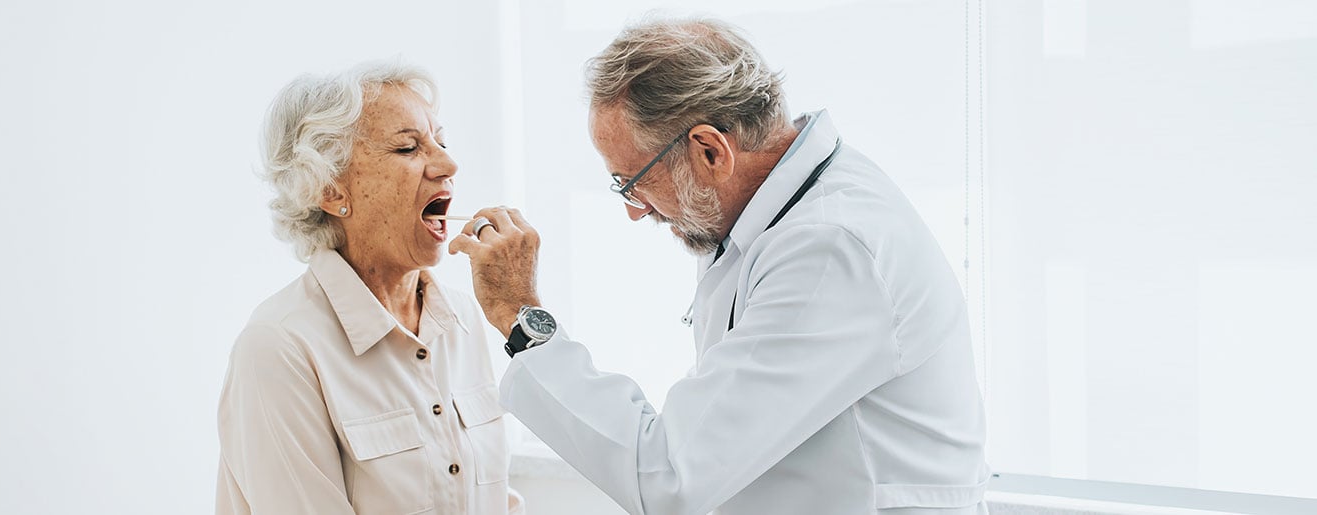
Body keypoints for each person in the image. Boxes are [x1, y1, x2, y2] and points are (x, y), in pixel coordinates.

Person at [449, 17, 988, 514]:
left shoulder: (829, 250)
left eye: (633, 183)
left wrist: (519, 314)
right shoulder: (769, 216)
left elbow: (671, 477)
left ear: (710, 150)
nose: (636, 211)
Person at [216, 59, 523, 515]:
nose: (448, 163)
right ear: (332, 191)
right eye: (407, 149)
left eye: (441, 141)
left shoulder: (462, 319)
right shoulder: (279, 347)